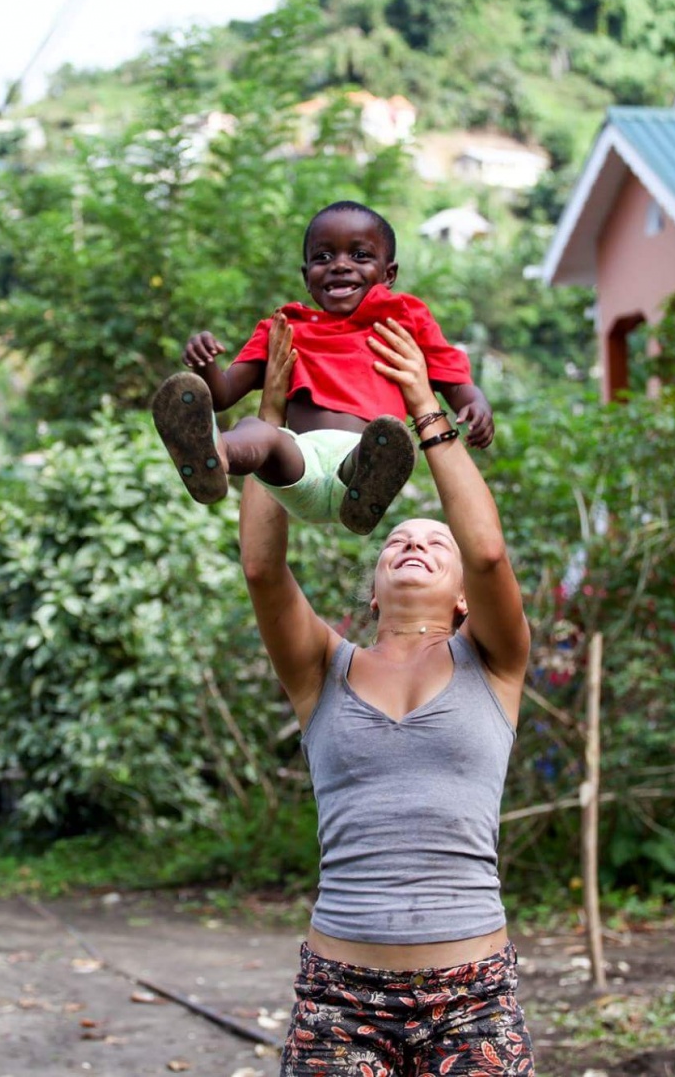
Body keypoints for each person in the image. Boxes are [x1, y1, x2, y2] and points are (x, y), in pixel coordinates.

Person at [239, 317, 535, 1075]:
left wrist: (423, 405)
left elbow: (490, 548)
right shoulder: (321, 672)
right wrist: (270, 419)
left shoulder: (494, 664)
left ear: (465, 596)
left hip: (474, 999)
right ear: (372, 591)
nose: (412, 544)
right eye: (396, 540)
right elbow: (264, 573)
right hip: (339, 1000)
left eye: (435, 545)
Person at [152, 200, 494, 535]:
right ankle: (216, 455)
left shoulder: (404, 317)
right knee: (258, 430)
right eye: (323, 257)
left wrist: (474, 403)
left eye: (359, 255)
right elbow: (222, 394)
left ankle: (365, 491)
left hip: (363, 466)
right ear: (306, 276)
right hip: (301, 461)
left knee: (386, 439)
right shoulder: (284, 327)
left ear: (388, 274)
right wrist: (206, 363)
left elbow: (453, 377)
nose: (340, 265)